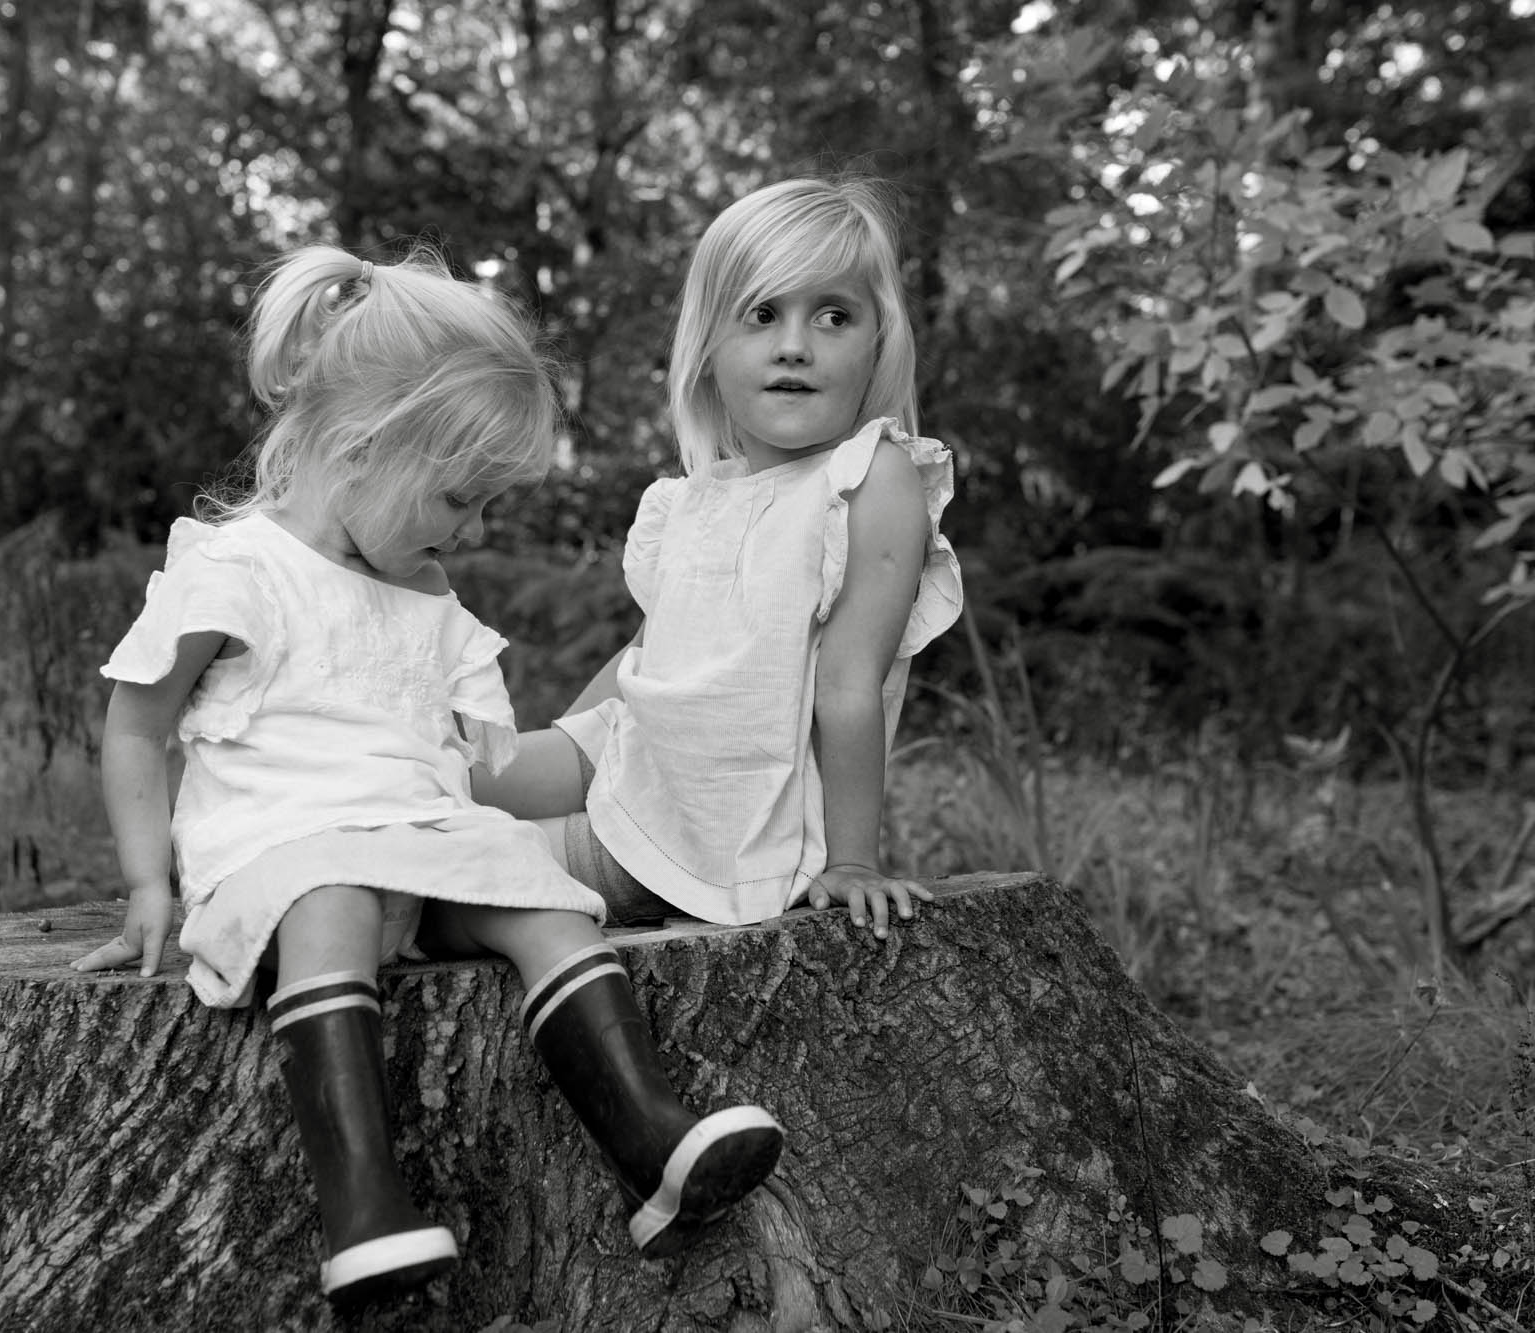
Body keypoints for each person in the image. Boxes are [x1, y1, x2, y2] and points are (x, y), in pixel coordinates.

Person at [68, 246, 783, 1307]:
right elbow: (135, 728)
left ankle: (652, 1140)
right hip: (283, 858)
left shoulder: (428, 595)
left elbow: (487, 773)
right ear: (362, 448)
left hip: (421, 845)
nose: (475, 530)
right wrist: (145, 889)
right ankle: (364, 1209)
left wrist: (645, 740)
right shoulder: (237, 570)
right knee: (331, 898)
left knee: (540, 898)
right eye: (460, 498)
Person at [474, 176, 964, 940]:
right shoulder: (693, 499)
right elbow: (643, 660)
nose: (795, 344)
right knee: (429, 767)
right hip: (627, 759)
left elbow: (848, 680)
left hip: (705, 827)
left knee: (433, 861)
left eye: (834, 315)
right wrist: (562, 765)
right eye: (763, 314)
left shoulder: (870, 478)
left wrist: (854, 858)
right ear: (708, 349)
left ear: (878, 344)